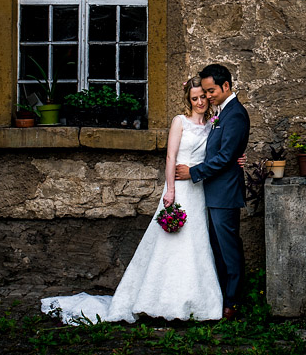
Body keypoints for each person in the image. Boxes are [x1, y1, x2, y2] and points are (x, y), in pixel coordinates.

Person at [41, 78, 223, 323]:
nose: (200, 102)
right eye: (194, 98)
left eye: (203, 97)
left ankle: (196, 301)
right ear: (187, 100)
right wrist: (170, 191)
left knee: (197, 243)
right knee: (171, 243)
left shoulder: (214, 123)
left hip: (199, 190)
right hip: (180, 188)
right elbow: (170, 158)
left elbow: (219, 152)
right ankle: (157, 299)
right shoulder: (180, 122)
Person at [175, 63, 249, 320]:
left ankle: (233, 302)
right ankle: (220, 298)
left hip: (225, 193)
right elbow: (223, 151)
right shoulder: (221, 114)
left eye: (210, 91)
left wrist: (192, 173)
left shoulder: (235, 114)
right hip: (214, 192)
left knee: (228, 249)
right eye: (203, 92)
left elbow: (226, 157)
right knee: (217, 248)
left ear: (226, 86)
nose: (206, 97)